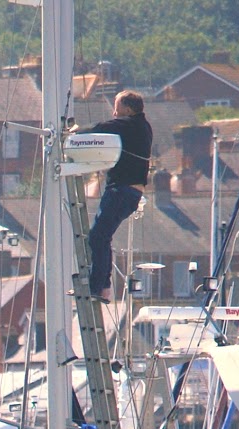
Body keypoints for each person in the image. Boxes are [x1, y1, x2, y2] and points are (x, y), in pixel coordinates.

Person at [86, 90, 153, 301]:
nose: (114, 112)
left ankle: (101, 287)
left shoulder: (130, 125)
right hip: (130, 192)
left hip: (121, 191)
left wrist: (72, 136)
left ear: (128, 109)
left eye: (117, 106)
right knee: (102, 237)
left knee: (98, 236)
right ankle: (102, 286)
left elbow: (101, 129)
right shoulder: (141, 127)